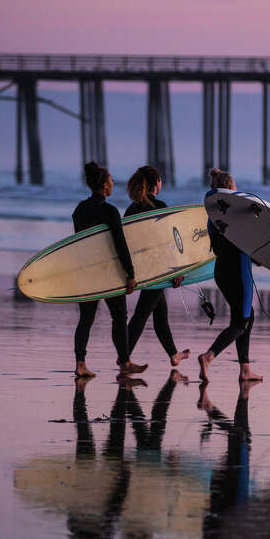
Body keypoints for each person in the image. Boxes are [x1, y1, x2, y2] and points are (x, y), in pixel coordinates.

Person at [71, 161, 147, 378]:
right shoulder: (109, 211)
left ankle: (80, 363)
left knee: (86, 319)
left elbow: (77, 245)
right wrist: (130, 274)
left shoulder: (79, 210)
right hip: (107, 273)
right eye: (111, 181)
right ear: (105, 185)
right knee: (119, 317)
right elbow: (120, 246)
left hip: (86, 271)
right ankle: (125, 362)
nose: (113, 184)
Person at [197, 168, 263, 382]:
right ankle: (209, 356)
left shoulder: (213, 216)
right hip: (239, 272)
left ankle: (245, 369)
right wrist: (257, 257)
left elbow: (225, 245)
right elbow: (245, 242)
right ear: (232, 187)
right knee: (242, 321)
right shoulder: (238, 213)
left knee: (246, 316)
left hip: (221, 271)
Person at [123, 166, 192, 367]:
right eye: (161, 180)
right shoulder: (160, 206)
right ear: (156, 183)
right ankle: (124, 358)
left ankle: (174, 354)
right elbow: (168, 241)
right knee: (142, 314)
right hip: (158, 268)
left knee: (160, 313)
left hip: (140, 268)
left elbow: (127, 241)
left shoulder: (132, 208)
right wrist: (177, 269)